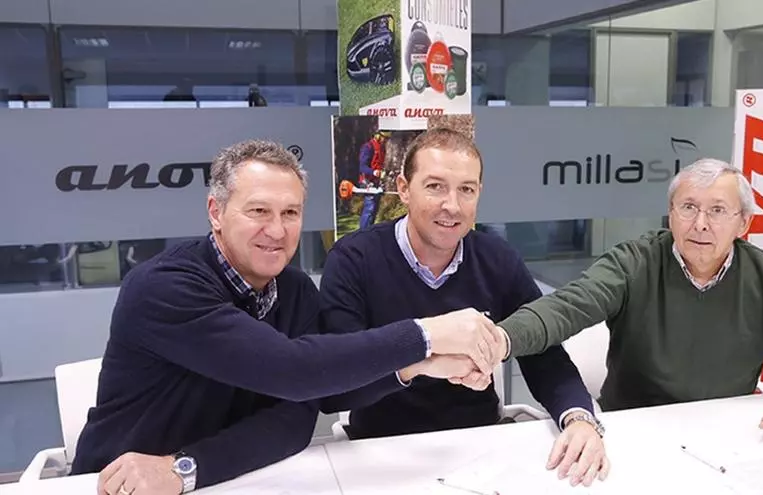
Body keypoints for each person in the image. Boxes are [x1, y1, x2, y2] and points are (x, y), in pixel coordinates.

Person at [70, 140, 502, 495]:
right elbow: (293, 371)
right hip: (118, 485)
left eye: (290, 213)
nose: (277, 231)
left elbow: (301, 413)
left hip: (227, 479)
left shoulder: (293, 290)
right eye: (259, 211)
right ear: (216, 212)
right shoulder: (164, 287)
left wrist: (419, 364)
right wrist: (427, 334)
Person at [319, 128, 609, 488]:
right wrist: (421, 358)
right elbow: (335, 387)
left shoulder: (497, 259)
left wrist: (578, 417)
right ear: (404, 188)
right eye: (435, 187)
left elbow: (543, 355)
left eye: (466, 190)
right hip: (382, 452)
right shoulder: (354, 260)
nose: (452, 206)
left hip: (481, 448)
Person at [494, 158, 763, 446]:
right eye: (688, 207)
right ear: (671, 213)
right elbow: (566, 308)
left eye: (717, 210)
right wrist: (498, 340)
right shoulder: (634, 263)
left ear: (743, 223)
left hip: (727, 434)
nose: (700, 224)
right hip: (633, 431)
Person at [358, 130, 390, 229]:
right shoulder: (368, 147)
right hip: (367, 182)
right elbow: (362, 167)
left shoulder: (382, 148)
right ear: (378, 136)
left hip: (376, 182)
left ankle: (369, 231)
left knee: (374, 209)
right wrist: (374, 172)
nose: (386, 140)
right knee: (369, 208)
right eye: (384, 138)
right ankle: (363, 233)